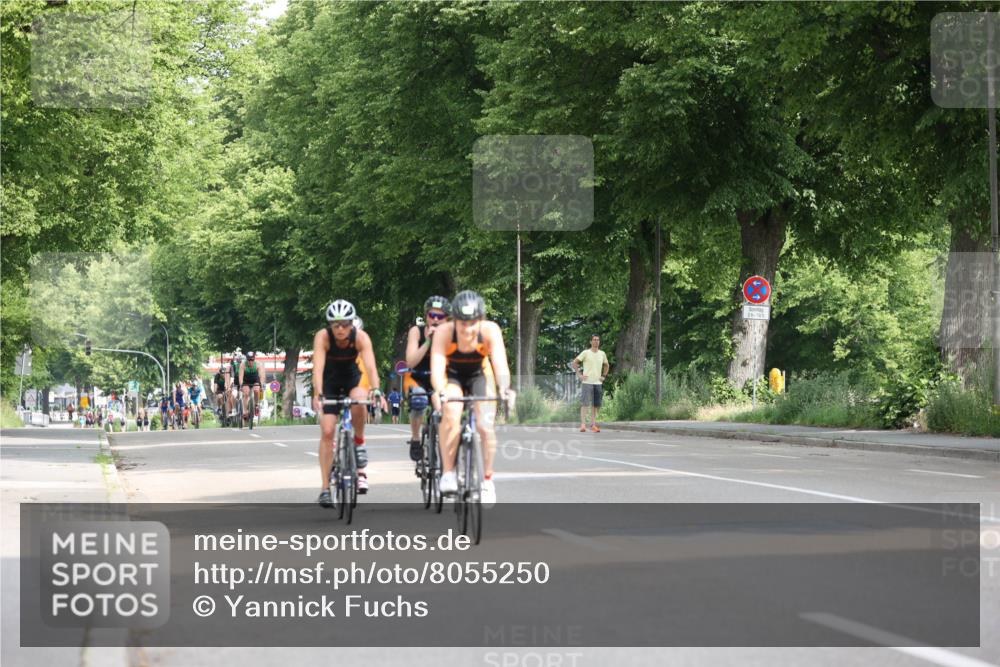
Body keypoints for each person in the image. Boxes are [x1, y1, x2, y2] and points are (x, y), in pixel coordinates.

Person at [431, 290, 514, 506]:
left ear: (480, 320)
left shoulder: (490, 331)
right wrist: (440, 392)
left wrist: (504, 388)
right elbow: (437, 370)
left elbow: (500, 365)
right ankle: (448, 473)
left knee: (486, 426)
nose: (467, 329)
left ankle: (487, 480)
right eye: (462, 323)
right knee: (450, 411)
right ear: (454, 321)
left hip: (480, 374)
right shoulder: (444, 332)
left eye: (472, 323)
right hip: (454, 376)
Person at [312, 300, 387, 507]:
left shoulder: (361, 337)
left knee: (359, 401)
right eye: (336, 325)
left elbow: (371, 368)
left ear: (352, 324)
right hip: (330, 382)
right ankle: (325, 488)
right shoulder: (323, 337)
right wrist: (318, 394)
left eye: (345, 324)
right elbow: (317, 368)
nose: (341, 329)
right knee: (327, 431)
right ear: (330, 325)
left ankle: (359, 442)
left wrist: (376, 390)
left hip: (352, 378)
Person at [404, 295, 451, 461]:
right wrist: (428, 343)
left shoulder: (451, 333)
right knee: (418, 399)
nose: (436, 320)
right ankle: (416, 437)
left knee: (445, 406)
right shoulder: (416, 331)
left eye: (440, 317)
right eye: (432, 316)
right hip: (417, 377)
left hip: (439, 378)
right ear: (426, 317)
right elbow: (410, 361)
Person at [572, 334, 610, 433]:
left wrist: (604, 376)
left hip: (598, 383)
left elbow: (606, 365)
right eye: (594, 340)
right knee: (585, 403)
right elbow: (574, 363)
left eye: (598, 340)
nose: (596, 341)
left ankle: (593, 425)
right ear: (591, 341)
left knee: (595, 405)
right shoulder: (586, 352)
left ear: (599, 342)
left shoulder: (602, 353)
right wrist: (579, 375)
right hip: (587, 382)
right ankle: (583, 425)